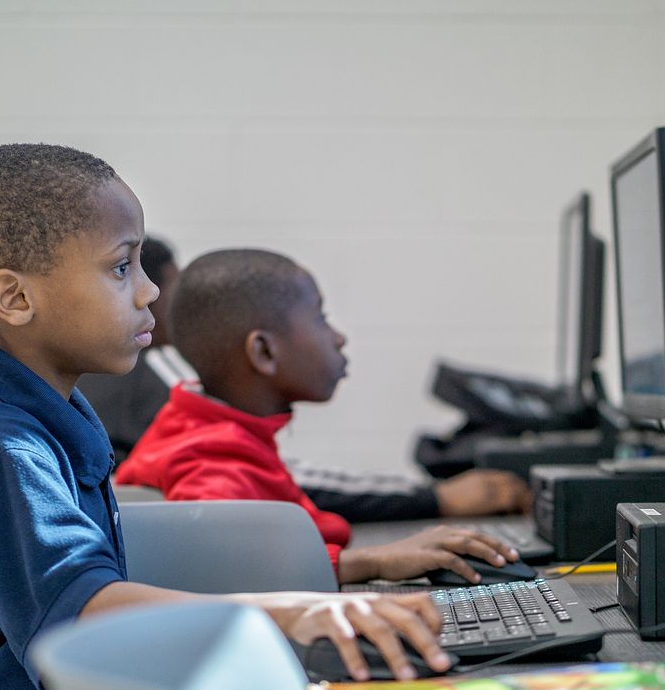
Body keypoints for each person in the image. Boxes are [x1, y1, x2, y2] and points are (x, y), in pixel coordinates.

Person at [0, 145, 452, 690]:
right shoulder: (2, 446)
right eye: (120, 268)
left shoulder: (53, 416)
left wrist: (355, 568)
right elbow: (81, 610)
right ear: (16, 299)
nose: (150, 291)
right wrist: (292, 612)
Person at [116, 248, 523, 585]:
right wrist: (375, 562)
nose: (338, 337)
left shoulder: (218, 430)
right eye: (320, 318)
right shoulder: (209, 458)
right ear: (264, 353)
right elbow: (228, 570)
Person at [77, 235, 184, 464]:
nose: (184, 306)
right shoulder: (154, 377)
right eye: (175, 291)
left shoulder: (76, 366)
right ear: (148, 293)